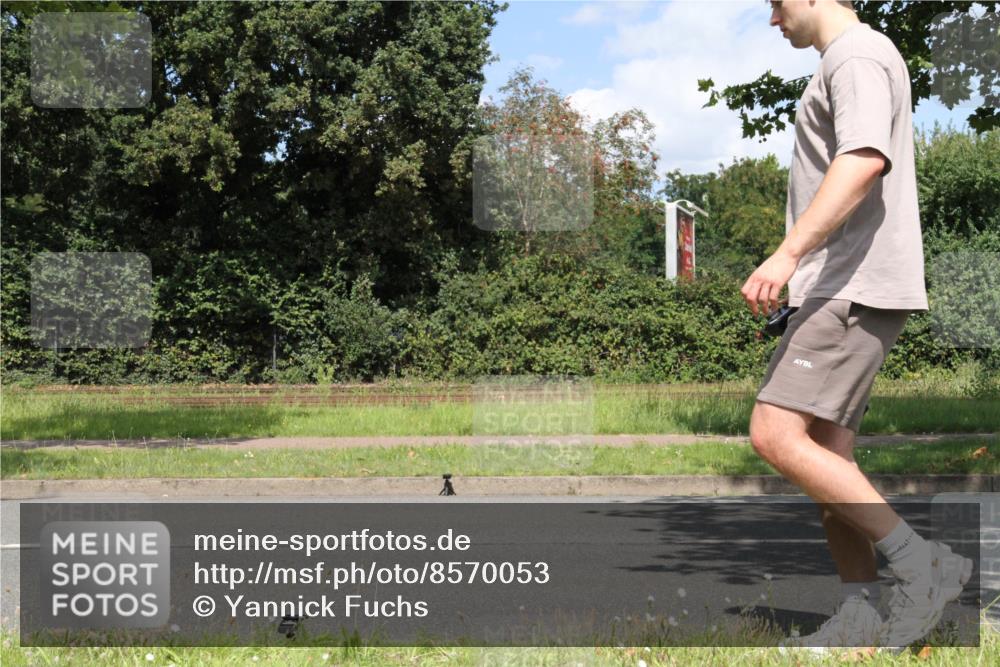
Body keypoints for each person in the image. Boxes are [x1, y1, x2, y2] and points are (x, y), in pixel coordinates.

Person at [743, 0, 974, 652]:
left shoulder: (856, 55)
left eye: (776, 2)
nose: (771, 18)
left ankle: (922, 564)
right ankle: (861, 611)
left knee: (775, 432)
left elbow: (864, 157)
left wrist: (789, 252)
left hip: (852, 284)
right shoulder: (849, 59)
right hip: (846, 284)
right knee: (826, 455)